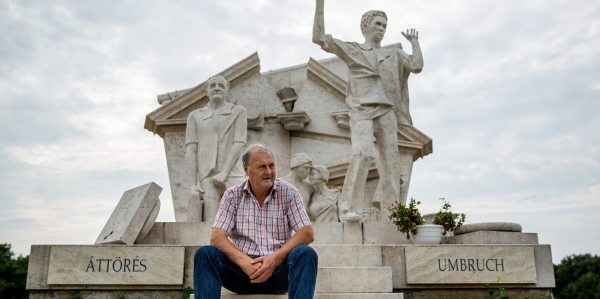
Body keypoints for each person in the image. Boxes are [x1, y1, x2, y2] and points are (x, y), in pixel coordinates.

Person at [312, 0, 424, 219]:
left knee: (391, 163)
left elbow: (417, 65)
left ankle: (394, 214)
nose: (382, 29)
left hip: (387, 111)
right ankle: (347, 206)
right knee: (363, 153)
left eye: (384, 25)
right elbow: (318, 37)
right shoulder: (353, 49)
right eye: (378, 24)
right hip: (362, 110)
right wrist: (320, 4)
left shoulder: (393, 54)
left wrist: (415, 42)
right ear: (365, 27)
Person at [193, 144, 318, 299]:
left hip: (278, 272)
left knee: (306, 253)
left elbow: (307, 233)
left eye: (271, 166)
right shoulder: (232, 196)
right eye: (262, 167)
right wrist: (243, 261)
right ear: (246, 170)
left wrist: (274, 259)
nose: (269, 172)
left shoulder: (290, 193)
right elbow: (217, 237)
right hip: (241, 273)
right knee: (205, 253)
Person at [185, 75, 247, 223]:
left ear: (227, 91)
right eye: (212, 86)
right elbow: (191, 150)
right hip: (208, 175)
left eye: (221, 85)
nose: (217, 88)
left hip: (233, 173)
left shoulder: (238, 111)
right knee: (211, 221)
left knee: (239, 220)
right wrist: (193, 185)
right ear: (207, 91)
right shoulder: (195, 116)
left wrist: (224, 172)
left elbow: (239, 142)